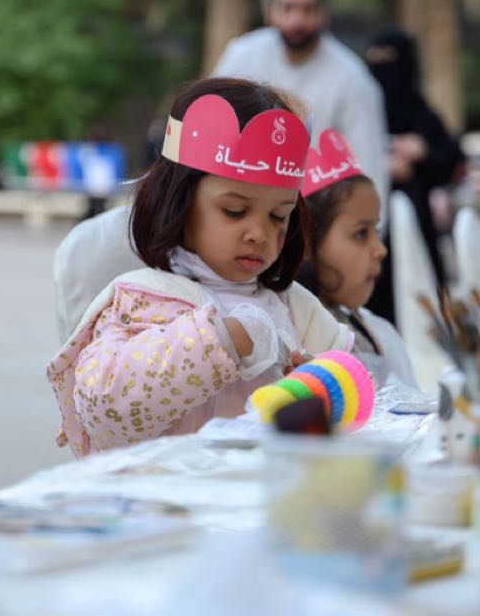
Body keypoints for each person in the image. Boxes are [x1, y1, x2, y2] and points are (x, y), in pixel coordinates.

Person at [47, 78, 352, 456]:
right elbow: (103, 410)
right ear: (180, 201)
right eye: (235, 211)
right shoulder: (144, 299)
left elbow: (356, 402)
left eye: (278, 216)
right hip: (169, 490)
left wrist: (323, 390)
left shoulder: (296, 309)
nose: (259, 233)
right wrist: (216, 343)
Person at [213, 0, 390, 210]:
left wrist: (370, 224)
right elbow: (212, 124)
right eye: (287, 8)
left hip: (315, 210)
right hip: (240, 196)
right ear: (270, 12)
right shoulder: (241, 55)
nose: (297, 20)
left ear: (323, 15)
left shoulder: (351, 77)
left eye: (308, 10)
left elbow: (368, 159)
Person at [296, 129, 417, 387]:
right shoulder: (290, 343)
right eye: (361, 233)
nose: (380, 249)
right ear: (306, 241)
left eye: (376, 230)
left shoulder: (379, 332)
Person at [364, 29, 465, 323]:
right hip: (368, 228)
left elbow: (451, 161)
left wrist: (422, 153)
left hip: (418, 229)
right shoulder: (360, 111)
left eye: (390, 60)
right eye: (376, 59)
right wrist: (379, 166)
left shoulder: (423, 116)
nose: (383, 70)